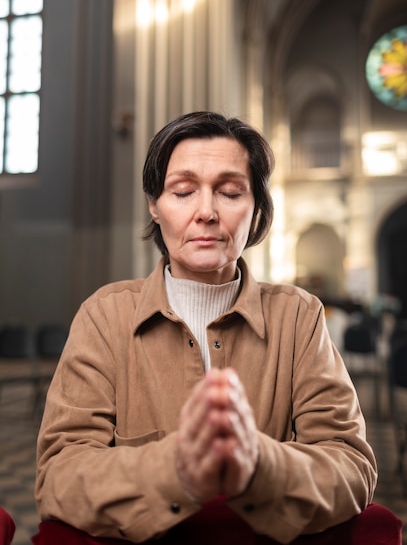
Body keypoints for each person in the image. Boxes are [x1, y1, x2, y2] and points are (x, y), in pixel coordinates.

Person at [33, 111, 377, 545]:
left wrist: (259, 466)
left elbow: (351, 466)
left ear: (256, 210)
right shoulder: (105, 316)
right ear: (155, 206)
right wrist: (175, 469)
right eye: (183, 191)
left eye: (231, 192)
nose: (207, 212)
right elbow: (60, 476)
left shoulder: (299, 316)